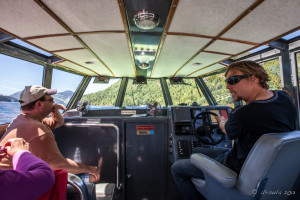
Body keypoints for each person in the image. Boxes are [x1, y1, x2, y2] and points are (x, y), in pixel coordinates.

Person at [171, 60, 297, 200]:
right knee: (196, 151)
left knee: (178, 168)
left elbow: (227, 130)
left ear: (253, 79)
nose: (227, 86)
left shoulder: (244, 113)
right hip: (268, 166)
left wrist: (221, 121)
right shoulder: (283, 98)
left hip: (237, 169)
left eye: (233, 80)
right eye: (227, 81)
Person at [0, 85, 100, 183]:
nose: (53, 103)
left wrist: (54, 110)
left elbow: (58, 122)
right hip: (13, 183)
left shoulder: (21, 120)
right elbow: (59, 165)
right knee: (92, 177)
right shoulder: (39, 130)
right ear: (39, 104)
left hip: (12, 176)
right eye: (51, 100)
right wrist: (91, 168)